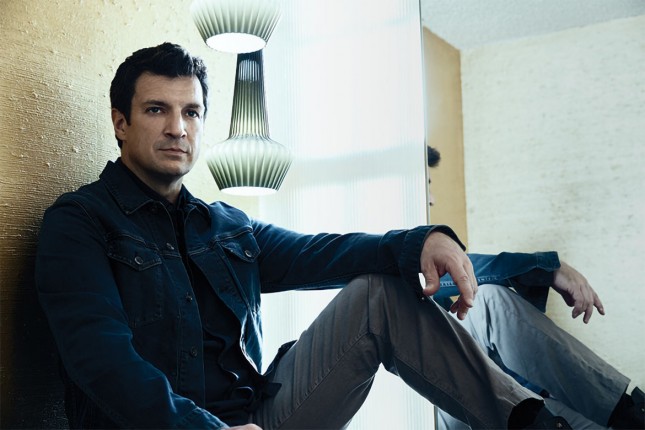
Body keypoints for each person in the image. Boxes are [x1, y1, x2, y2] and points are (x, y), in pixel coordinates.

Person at [34, 42, 572, 430]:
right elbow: (100, 361)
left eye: (191, 112)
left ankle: (533, 424)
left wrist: (432, 240)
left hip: (261, 418)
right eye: (157, 110)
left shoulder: (226, 227)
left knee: (378, 293)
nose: (178, 127)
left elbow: (332, 252)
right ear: (121, 122)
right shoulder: (80, 222)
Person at [426, 145, 644, 429]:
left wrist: (539, 394)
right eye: (427, 184)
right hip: (426, 403)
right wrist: (546, 269)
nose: (431, 198)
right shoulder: (389, 252)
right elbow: (452, 273)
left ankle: (629, 414)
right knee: (487, 301)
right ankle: (627, 411)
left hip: (471, 395)